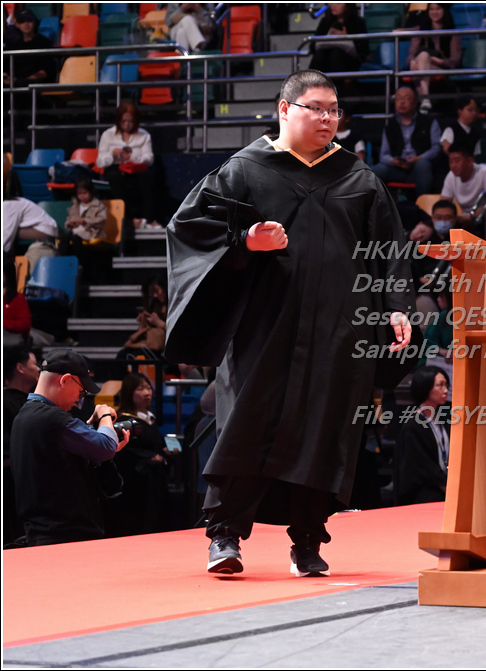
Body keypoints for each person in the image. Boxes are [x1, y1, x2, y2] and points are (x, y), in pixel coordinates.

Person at [165, 70, 416, 576]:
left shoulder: (358, 178)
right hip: (265, 327)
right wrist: (245, 242)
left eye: (334, 110)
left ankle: (308, 539)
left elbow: (388, 249)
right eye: (316, 108)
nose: (327, 118)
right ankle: (224, 536)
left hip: (337, 330)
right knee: (246, 425)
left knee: (324, 431)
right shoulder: (245, 170)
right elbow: (189, 229)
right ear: (285, 109)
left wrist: (395, 305)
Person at [10, 348, 129, 547]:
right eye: (81, 391)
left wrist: (91, 437)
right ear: (65, 380)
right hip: (66, 534)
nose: (78, 399)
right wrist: (104, 414)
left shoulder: (24, 416)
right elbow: (106, 447)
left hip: (43, 532)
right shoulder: (52, 418)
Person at [102, 373, 170, 537]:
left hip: (153, 483)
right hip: (134, 486)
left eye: (148, 388)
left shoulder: (150, 419)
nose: (147, 393)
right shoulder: (123, 422)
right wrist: (146, 458)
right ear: (129, 393)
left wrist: (164, 453)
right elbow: (124, 452)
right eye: (140, 389)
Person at [97, 102, 159, 231]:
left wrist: (133, 157)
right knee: (115, 177)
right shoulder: (108, 135)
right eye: (123, 121)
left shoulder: (144, 135)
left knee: (147, 176)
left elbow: (149, 158)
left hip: (136, 168)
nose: (127, 125)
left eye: (130, 121)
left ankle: (149, 219)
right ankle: (126, 219)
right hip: (115, 168)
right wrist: (112, 154)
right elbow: (100, 162)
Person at [393, 366, 451, 505]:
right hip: (422, 494)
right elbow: (421, 466)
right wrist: (446, 486)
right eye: (440, 385)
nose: (445, 390)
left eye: (446, 385)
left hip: (442, 487)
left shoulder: (442, 420)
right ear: (425, 387)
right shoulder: (412, 425)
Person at [373, 85, 442, 196]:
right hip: (397, 169)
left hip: (419, 167)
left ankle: (423, 203)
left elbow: (437, 147)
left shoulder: (429, 122)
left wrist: (419, 158)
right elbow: (383, 155)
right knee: (374, 171)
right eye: (399, 99)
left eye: (407, 98)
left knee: (423, 165)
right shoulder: (390, 125)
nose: (402, 102)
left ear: (415, 103)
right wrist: (393, 161)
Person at [440, 143, 486, 244]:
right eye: (450, 161)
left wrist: (471, 217)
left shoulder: (485, 172)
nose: (453, 165)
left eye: (456, 161)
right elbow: (443, 204)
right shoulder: (450, 176)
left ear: (469, 161)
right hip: (467, 218)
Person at [3, 344, 39, 545]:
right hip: (10, 490)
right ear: (20, 367)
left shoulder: (35, 403)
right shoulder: (5, 403)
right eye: (34, 364)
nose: (39, 369)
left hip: (32, 489)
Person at [406, 3, 462, 104]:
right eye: (431, 9)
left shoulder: (453, 32)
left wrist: (440, 61)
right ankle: (425, 98)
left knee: (420, 66)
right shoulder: (420, 30)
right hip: (420, 65)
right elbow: (411, 55)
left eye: (438, 9)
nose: (434, 12)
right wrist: (412, 61)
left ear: (444, 10)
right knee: (424, 56)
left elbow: (455, 61)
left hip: (439, 68)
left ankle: (423, 100)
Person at [308, 3, 369, 94]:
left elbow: (363, 50)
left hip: (348, 62)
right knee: (319, 55)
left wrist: (346, 37)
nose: (334, 5)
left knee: (336, 54)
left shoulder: (357, 22)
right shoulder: (325, 21)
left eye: (338, 2)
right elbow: (312, 46)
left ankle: (335, 90)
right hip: (325, 60)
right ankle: (312, 88)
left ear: (347, 5)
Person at [1, 8, 55, 89]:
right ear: (17, 25)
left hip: (36, 84)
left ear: (34, 22)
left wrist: (22, 81)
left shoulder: (44, 43)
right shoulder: (15, 45)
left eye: (29, 20)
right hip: (17, 84)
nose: (26, 24)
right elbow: (9, 69)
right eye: (22, 21)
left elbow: (46, 71)